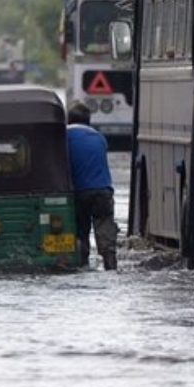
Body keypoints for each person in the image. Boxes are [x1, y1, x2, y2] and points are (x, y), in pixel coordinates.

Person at [66, 102, 119, 270]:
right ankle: (110, 265)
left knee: (80, 231)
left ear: (68, 120)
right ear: (88, 121)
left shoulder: (64, 136)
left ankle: (82, 264)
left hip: (79, 193)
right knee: (105, 231)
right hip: (103, 191)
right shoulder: (99, 137)